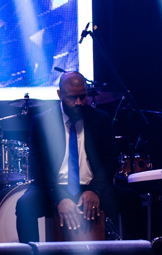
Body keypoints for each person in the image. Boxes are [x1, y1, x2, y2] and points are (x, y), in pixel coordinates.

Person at [16, 70, 119, 242]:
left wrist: (94, 189)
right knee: (25, 205)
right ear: (60, 95)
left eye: (83, 97)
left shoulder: (101, 119)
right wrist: (61, 197)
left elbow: (111, 159)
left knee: (131, 199)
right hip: (52, 187)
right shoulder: (41, 121)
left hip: (91, 185)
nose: (79, 102)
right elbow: (39, 166)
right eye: (72, 97)